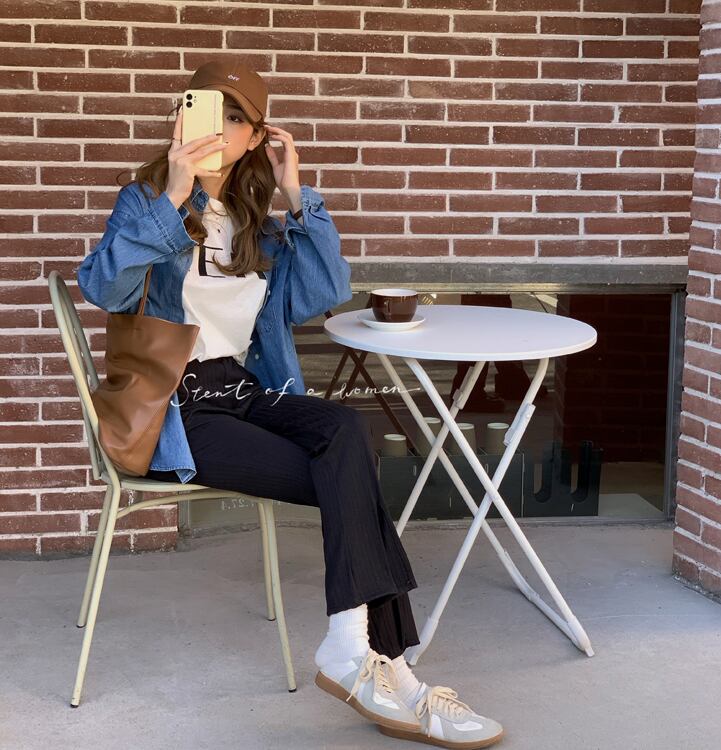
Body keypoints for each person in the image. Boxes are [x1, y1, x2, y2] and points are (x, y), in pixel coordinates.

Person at [76, 59, 504, 749]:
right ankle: (390, 670)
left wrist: (297, 193)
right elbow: (102, 288)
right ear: (181, 116)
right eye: (208, 109)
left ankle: (354, 651)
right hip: (177, 410)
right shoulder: (145, 200)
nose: (221, 128)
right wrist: (172, 198)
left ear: (255, 137)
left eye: (237, 118)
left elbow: (323, 291)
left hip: (246, 393)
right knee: (351, 479)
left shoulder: (260, 224)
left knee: (345, 430)